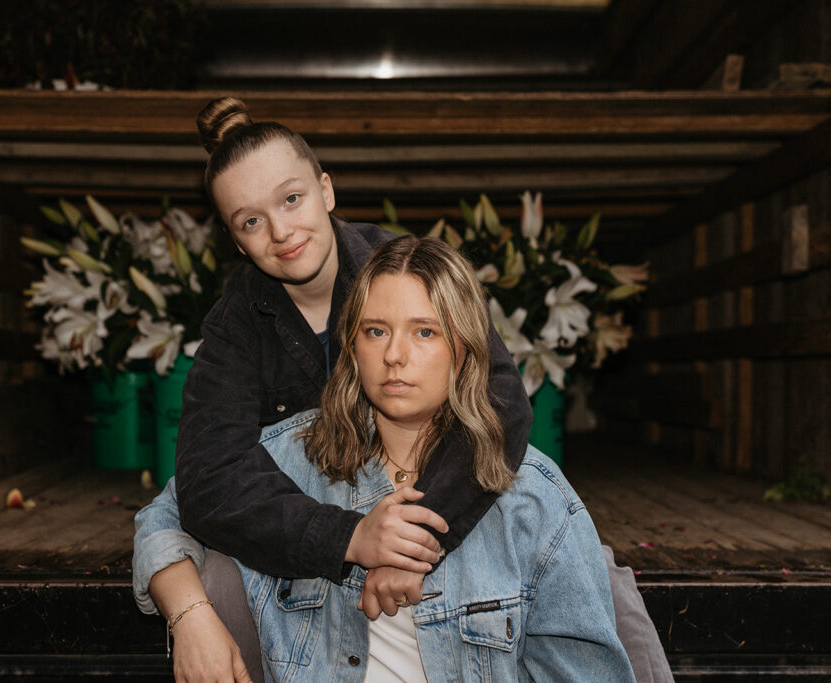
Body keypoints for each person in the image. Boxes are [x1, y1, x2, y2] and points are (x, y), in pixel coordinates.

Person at [137, 97, 673, 682]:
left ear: (326, 189)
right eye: (251, 221)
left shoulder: (400, 274)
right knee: (222, 568)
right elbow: (205, 480)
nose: (282, 230)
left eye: (291, 199)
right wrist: (350, 539)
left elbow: (500, 401)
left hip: (447, 493)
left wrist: (413, 541)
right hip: (326, 514)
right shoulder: (236, 327)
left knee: (583, 565)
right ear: (236, 241)